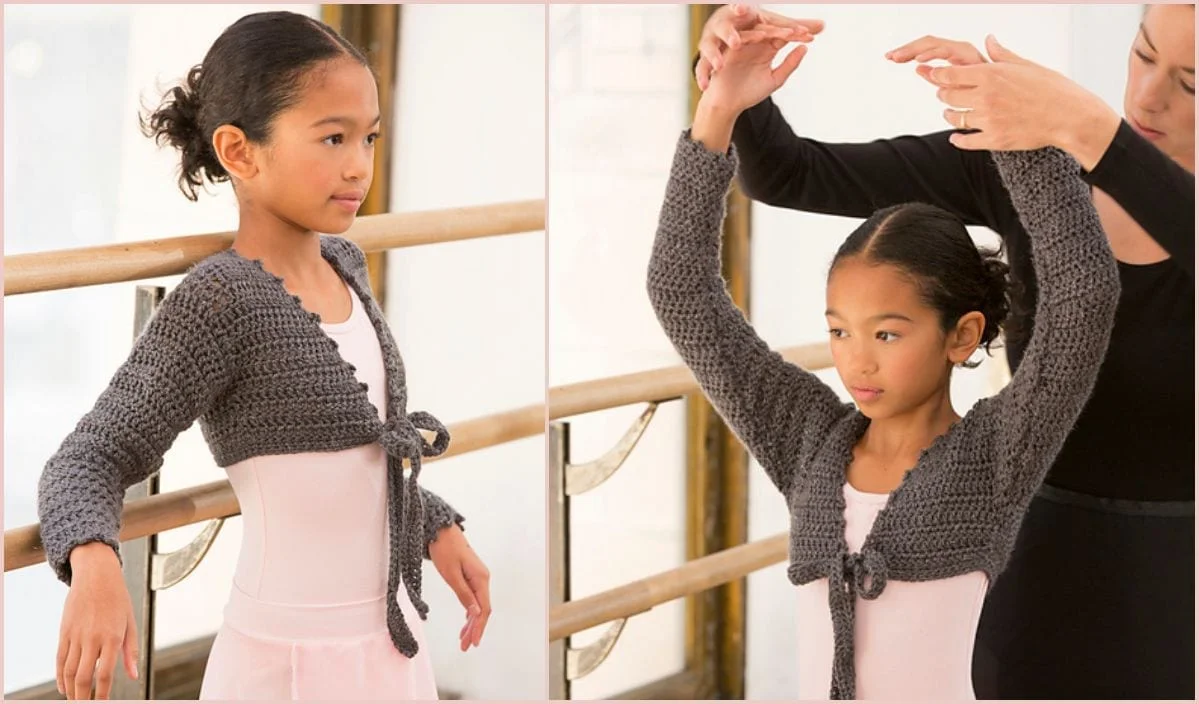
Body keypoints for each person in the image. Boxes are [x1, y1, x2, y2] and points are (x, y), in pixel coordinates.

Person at [693, 4, 1194, 698]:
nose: (1146, 95)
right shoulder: (1027, 164)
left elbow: (1101, 283)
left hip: (1177, 590)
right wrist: (733, 84)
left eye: (1190, 82)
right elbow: (785, 174)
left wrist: (1090, 130)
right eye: (1141, 56)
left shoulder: (1079, 145)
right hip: (1020, 565)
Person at [37, 11, 491, 700]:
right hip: (286, 664)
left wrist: (431, 522)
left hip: (392, 645)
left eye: (368, 136)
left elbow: (350, 454)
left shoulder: (346, 264)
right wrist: (96, 569)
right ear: (240, 152)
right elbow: (88, 459)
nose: (359, 164)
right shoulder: (220, 301)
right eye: (332, 137)